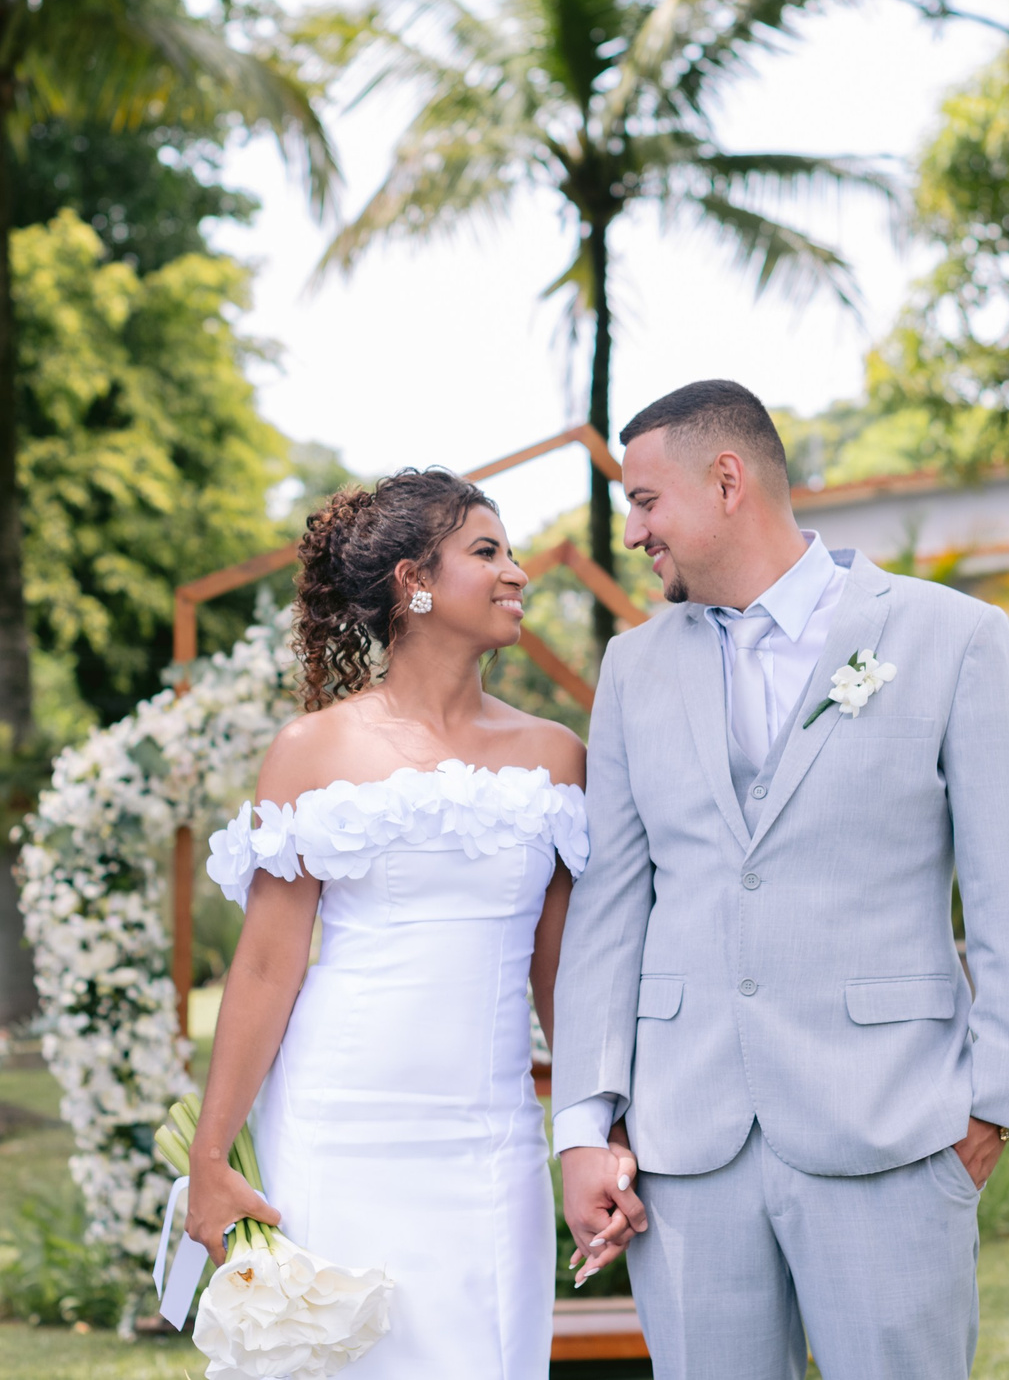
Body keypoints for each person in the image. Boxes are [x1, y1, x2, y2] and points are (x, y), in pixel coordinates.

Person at [553, 379, 1009, 1380]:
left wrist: (992, 1103)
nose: (634, 531)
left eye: (645, 500)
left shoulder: (953, 637)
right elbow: (610, 910)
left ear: (727, 480)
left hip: (890, 1126)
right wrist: (582, 1124)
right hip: (685, 1146)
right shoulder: (632, 668)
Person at [184, 467, 629, 1377]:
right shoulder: (312, 749)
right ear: (413, 582)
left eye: (512, 553)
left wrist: (596, 1128)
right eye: (487, 551)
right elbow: (266, 966)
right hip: (337, 1121)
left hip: (488, 1134)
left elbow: (563, 975)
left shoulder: (555, 756)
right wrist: (211, 1154)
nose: (516, 572)